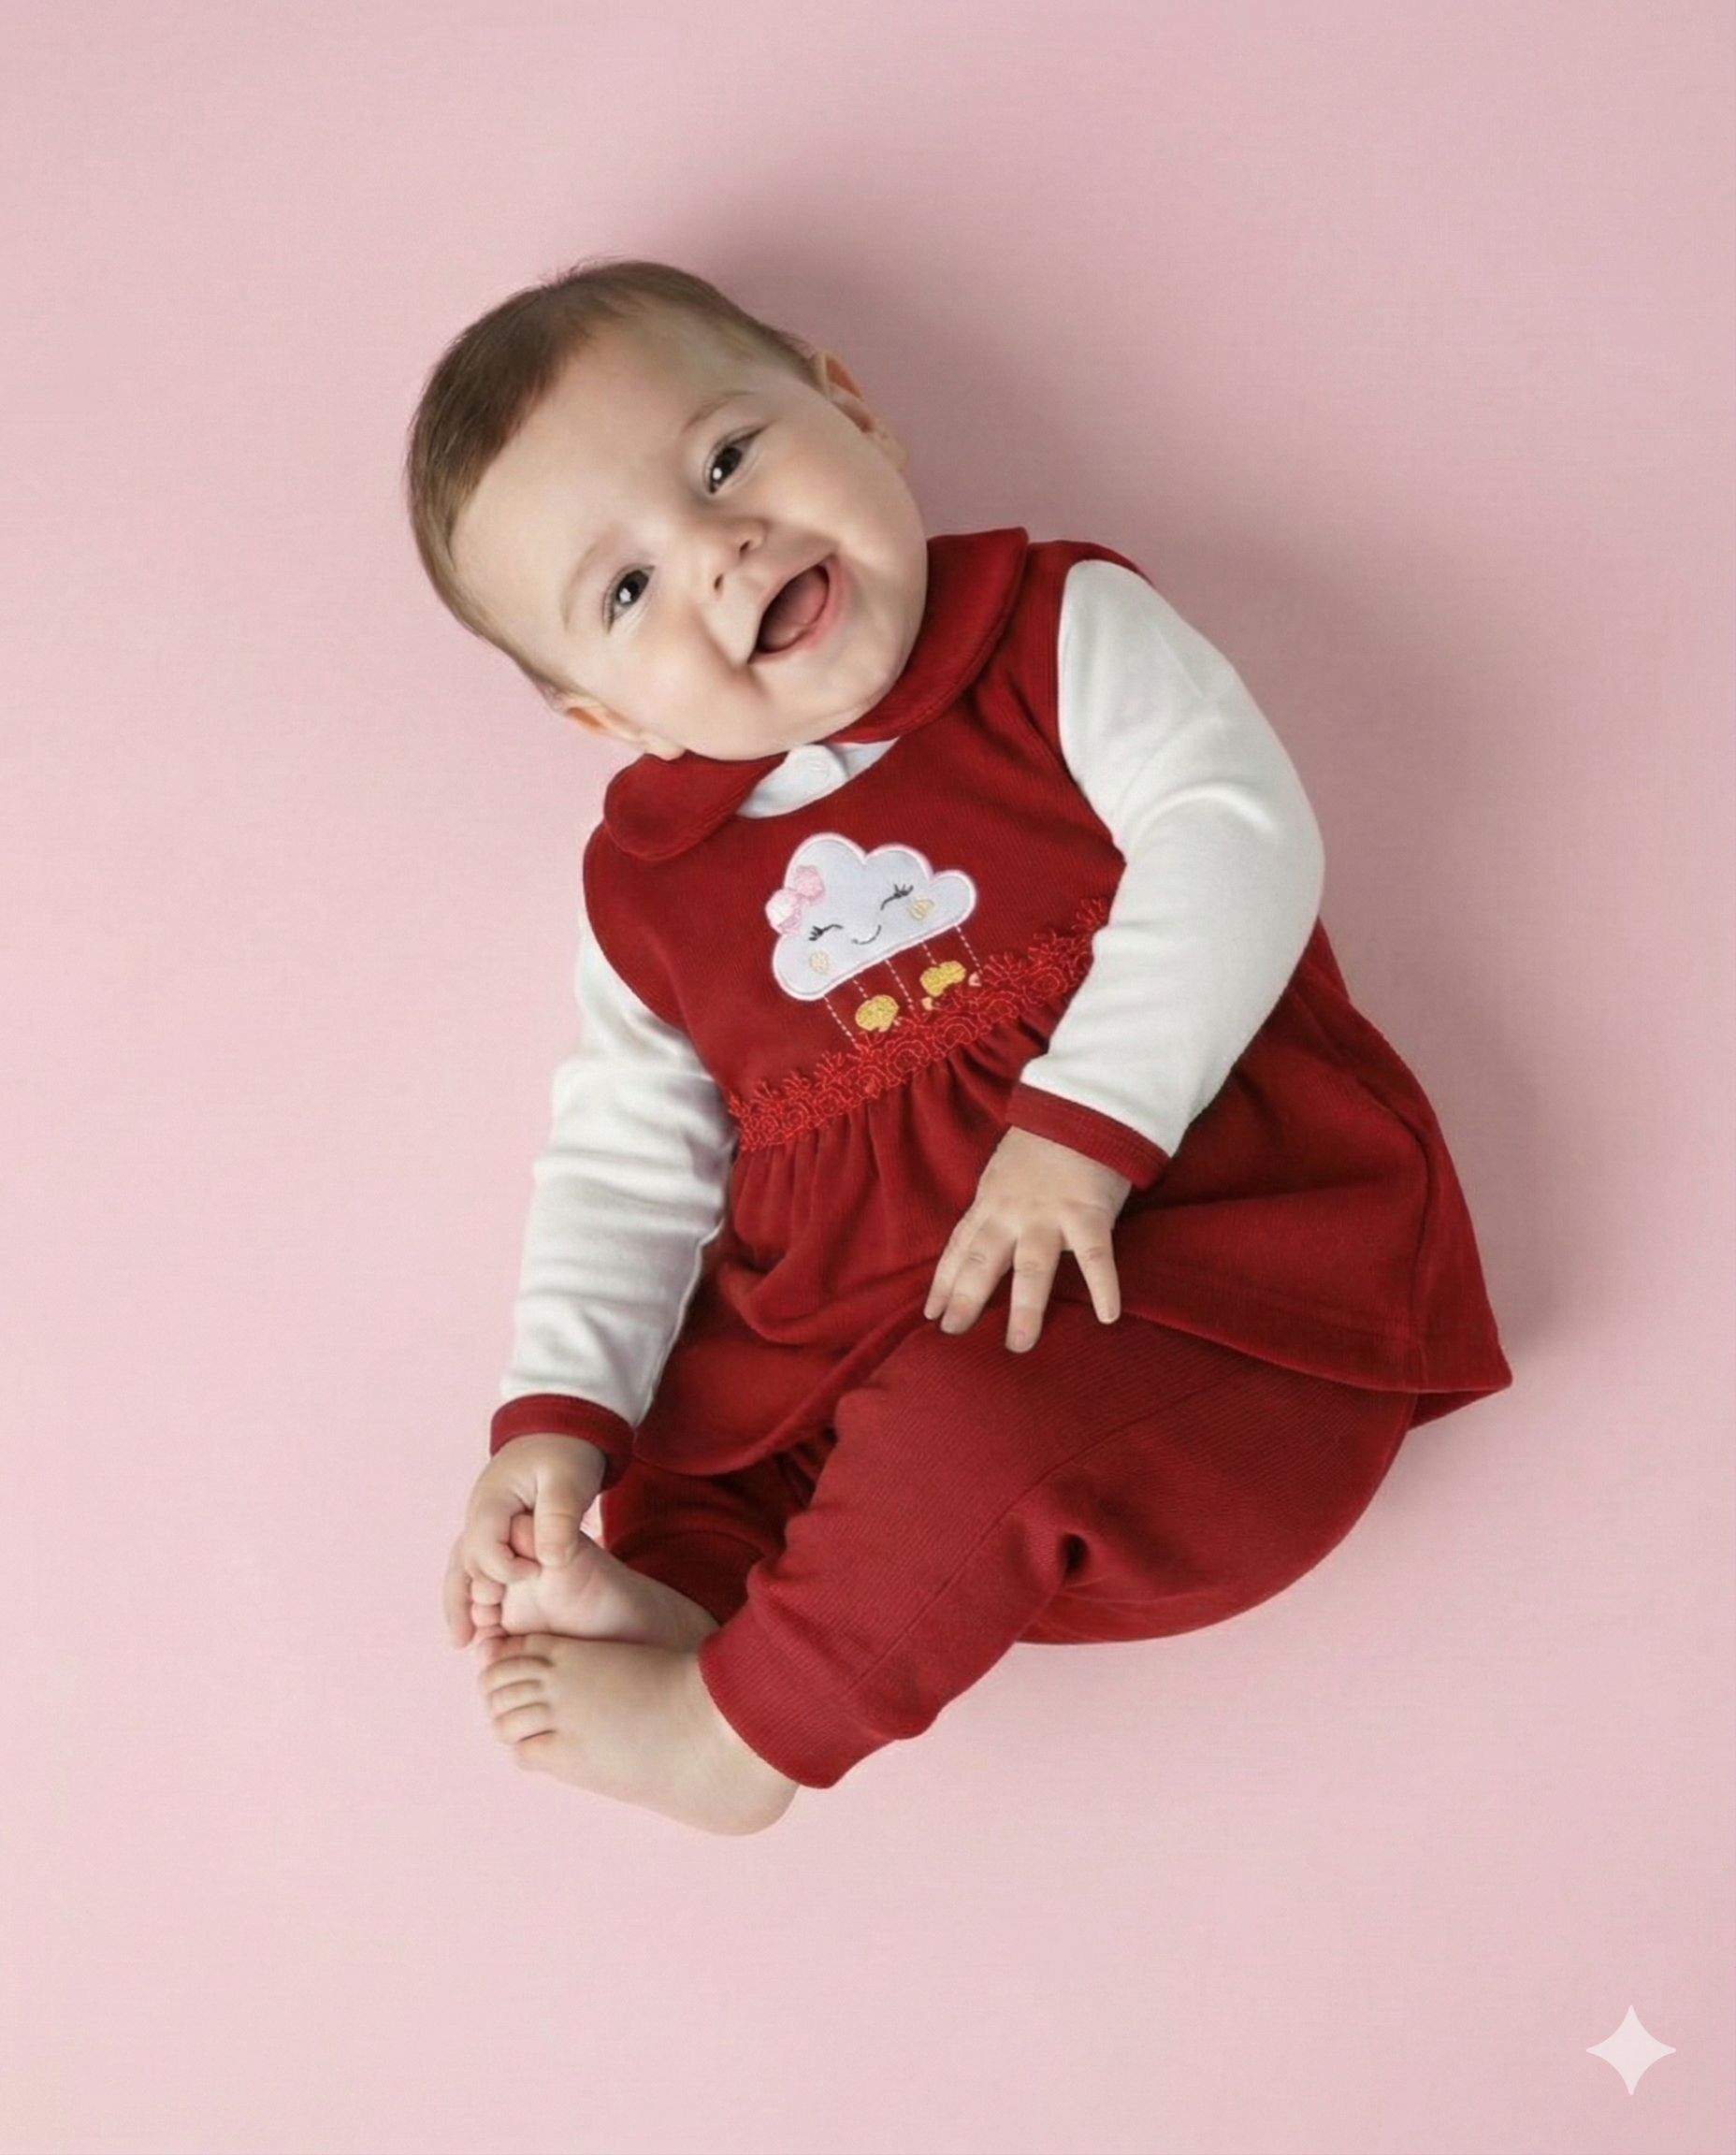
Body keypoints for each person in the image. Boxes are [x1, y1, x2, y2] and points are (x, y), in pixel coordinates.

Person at [405, 258, 1511, 1835]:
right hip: (882, 1376)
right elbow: (627, 1165)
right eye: (628, 590)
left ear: (849, 409)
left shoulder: (1057, 634)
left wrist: (1080, 1131)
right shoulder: (648, 889)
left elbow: (1233, 835)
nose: (719, 548)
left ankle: (748, 1738)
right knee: (687, 1474)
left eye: (726, 460)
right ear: (605, 720)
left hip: (1209, 1299)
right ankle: (707, 1622)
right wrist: (555, 1421)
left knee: (973, 1417)